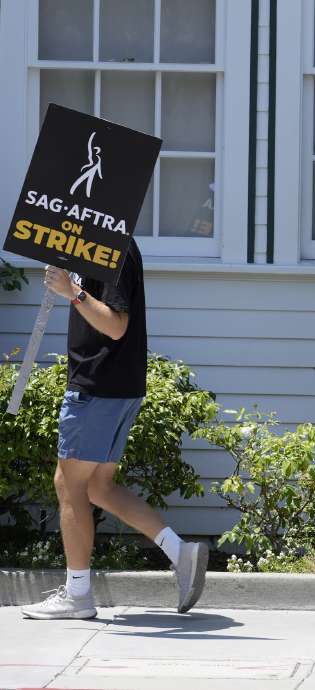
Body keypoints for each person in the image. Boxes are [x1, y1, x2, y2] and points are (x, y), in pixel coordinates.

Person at [21, 241, 209, 620]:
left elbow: (116, 324)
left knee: (68, 484)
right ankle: (179, 552)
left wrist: (71, 291)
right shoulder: (94, 245)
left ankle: (77, 595)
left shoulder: (110, 246)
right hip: (115, 387)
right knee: (97, 487)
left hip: (98, 386)